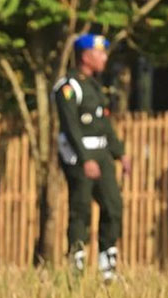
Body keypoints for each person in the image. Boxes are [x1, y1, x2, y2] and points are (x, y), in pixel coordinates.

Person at [53, 34, 130, 282]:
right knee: (81, 210)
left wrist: (120, 153)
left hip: (102, 153)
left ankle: (108, 266)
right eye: (100, 53)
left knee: (113, 205)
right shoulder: (68, 87)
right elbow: (71, 126)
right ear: (86, 56)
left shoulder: (95, 87)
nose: (105, 58)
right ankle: (76, 266)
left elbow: (103, 123)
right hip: (79, 156)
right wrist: (85, 159)